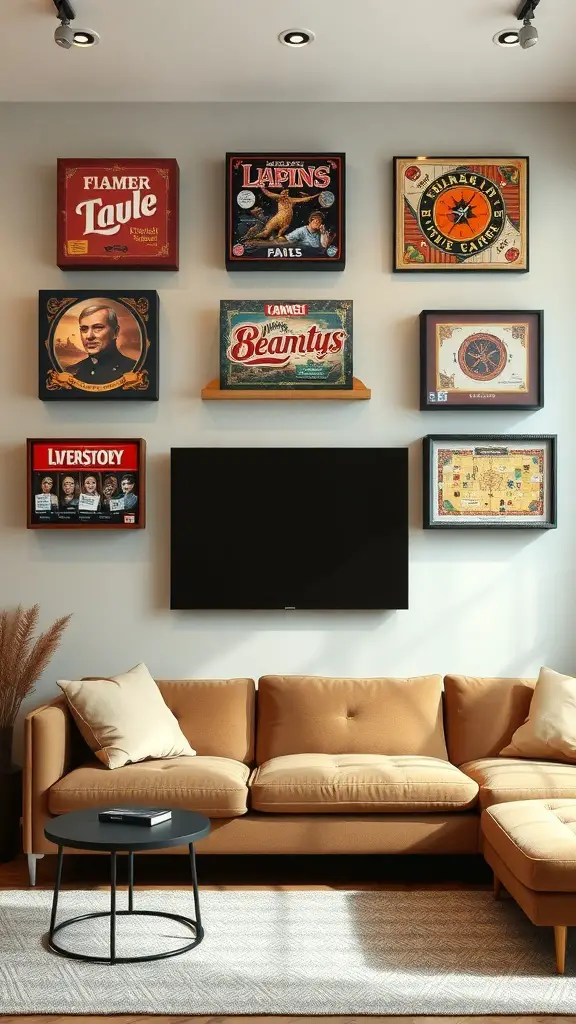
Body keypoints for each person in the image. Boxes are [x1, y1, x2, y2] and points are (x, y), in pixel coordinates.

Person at [68, 305, 136, 386]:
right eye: (84, 329)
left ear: (115, 332)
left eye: (98, 328)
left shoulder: (133, 370)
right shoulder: (71, 372)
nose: (89, 336)